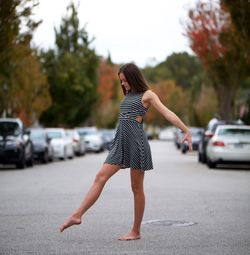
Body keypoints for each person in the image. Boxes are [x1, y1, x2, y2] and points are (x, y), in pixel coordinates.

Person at [59, 63, 192, 240]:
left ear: (133, 77)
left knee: (136, 188)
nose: (123, 84)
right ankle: (77, 215)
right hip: (120, 142)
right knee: (100, 176)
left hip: (136, 143)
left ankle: (136, 231)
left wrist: (185, 129)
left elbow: (167, 114)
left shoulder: (148, 95)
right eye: (121, 81)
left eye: (124, 80)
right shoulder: (129, 95)